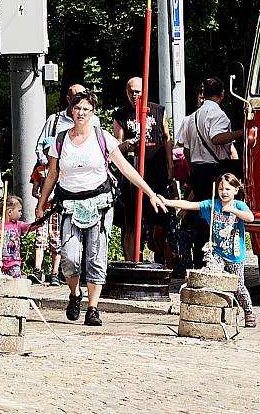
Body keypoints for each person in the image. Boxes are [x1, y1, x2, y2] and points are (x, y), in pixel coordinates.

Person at [35, 90, 167, 326]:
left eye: (86, 109)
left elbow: (126, 169)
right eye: (78, 108)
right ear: (72, 111)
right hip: (69, 204)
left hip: (100, 204)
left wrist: (150, 193)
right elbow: (52, 174)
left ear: (92, 112)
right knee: (70, 259)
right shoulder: (60, 140)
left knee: (96, 257)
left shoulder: (103, 137)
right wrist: (40, 203)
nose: (81, 113)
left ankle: (93, 308)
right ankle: (75, 294)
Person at [163, 173, 257, 327]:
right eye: (221, 189)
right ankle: (217, 312)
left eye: (228, 189)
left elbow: (250, 217)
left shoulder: (239, 205)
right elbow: (190, 205)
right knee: (213, 279)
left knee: (239, 286)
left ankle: (248, 311)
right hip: (216, 252)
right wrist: (167, 202)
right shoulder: (211, 205)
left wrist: (232, 210)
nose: (224, 192)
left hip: (235, 254)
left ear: (235, 190)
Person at [181, 77, 243, 267]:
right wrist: (241, 132)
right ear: (222, 94)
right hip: (213, 170)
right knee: (214, 215)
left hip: (197, 169)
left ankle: (198, 259)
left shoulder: (190, 118)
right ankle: (213, 259)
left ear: (204, 94)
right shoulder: (218, 115)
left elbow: (185, 149)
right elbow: (217, 138)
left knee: (201, 212)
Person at [112, 77, 174, 265]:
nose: (134, 95)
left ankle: (163, 257)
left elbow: (166, 138)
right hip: (132, 173)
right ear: (126, 92)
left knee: (161, 218)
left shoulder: (157, 110)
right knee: (130, 222)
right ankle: (132, 261)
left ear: (145, 91)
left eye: (138, 91)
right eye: (131, 91)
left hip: (157, 171)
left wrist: (170, 165)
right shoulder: (121, 115)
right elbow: (116, 146)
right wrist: (127, 145)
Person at [35, 84, 101, 164]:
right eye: (77, 99)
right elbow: (40, 147)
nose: (81, 102)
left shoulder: (94, 120)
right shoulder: (55, 119)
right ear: (69, 100)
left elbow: (99, 146)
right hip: (59, 171)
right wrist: (48, 166)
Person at [29, 138, 62, 285]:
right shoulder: (40, 170)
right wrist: (43, 196)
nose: (49, 154)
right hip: (42, 209)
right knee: (40, 239)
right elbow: (34, 191)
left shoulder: (61, 171)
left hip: (55, 210)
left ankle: (55, 273)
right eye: (47, 151)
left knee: (55, 240)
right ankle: (37, 270)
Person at [0, 196, 34, 278]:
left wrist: (39, 222)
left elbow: (30, 227)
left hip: (14, 264)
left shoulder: (18, 225)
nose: (21, 213)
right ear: (10, 212)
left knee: (16, 284)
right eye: (19, 211)